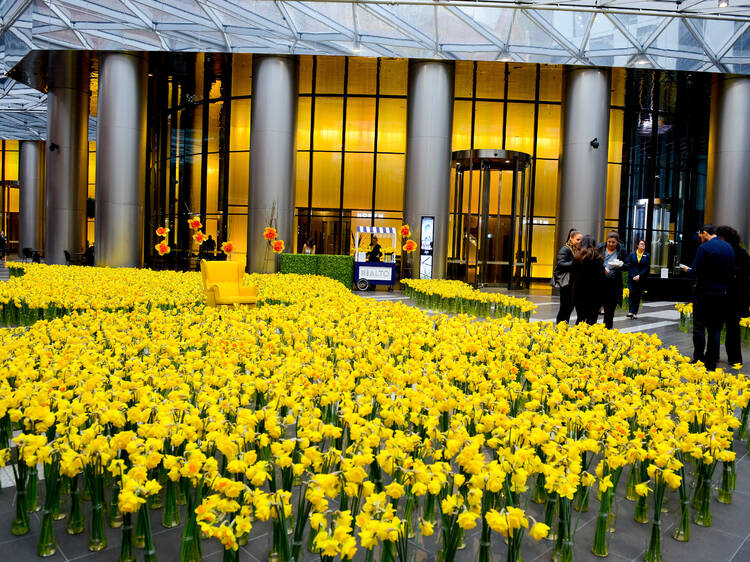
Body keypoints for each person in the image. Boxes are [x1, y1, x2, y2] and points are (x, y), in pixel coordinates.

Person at [680, 224, 735, 371]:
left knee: (699, 327)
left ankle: (698, 358)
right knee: (715, 329)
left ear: (705, 233)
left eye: (701, 235)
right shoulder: (729, 248)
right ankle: (711, 363)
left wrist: (687, 269)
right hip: (722, 294)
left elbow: (694, 272)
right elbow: (732, 272)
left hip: (704, 293)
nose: (700, 237)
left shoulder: (704, 248)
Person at [717, 225, 750, 366]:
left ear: (724, 237)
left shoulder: (727, 252)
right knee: (732, 328)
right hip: (735, 296)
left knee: (720, 327)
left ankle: (718, 355)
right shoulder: (741, 252)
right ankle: (735, 358)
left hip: (728, 295)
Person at [572, 235, 605, 326]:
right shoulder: (597, 256)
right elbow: (601, 277)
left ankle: (577, 338)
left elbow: (573, 274)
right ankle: (589, 338)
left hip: (579, 292)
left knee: (580, 318)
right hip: (594, 293)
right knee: (592, 319)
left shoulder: (577, 256)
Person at [598, 231, 628, 329]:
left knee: (610, 311)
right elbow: (594, 262)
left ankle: (607, 331)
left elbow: (628, 265)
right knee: (595, 309)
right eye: (609, 242)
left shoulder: (622, 251)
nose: (611, 244)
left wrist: (620, 266)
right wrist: (602, 269)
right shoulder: (600, 248)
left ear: (617, 242)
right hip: (600, 283)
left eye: (613, 242)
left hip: (613, 285)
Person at [553, 229, 582, 324]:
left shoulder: (574, 249)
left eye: (581, 240)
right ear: (571, 238)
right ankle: (560, 327)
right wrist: (575, 263)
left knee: (569, 307)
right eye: (578, 239)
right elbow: (560, 264)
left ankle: (563, 327)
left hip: (572, 283)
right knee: (565, 307)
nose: (579, 242)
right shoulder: (565, 249)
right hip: (566, 284)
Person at [626, 239, 650, 319]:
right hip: (632, 278)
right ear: (637, 245)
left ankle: (635, 312)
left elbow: (647, 268)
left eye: (644, 244)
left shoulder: (647, 255)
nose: (642, 245)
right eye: (641, 244)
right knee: (632, 293)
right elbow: (630, 266)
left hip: (641, 279)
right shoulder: (632, 254)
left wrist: (639, 276)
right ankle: (630, 311)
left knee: (638, 295)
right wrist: (633, 276)